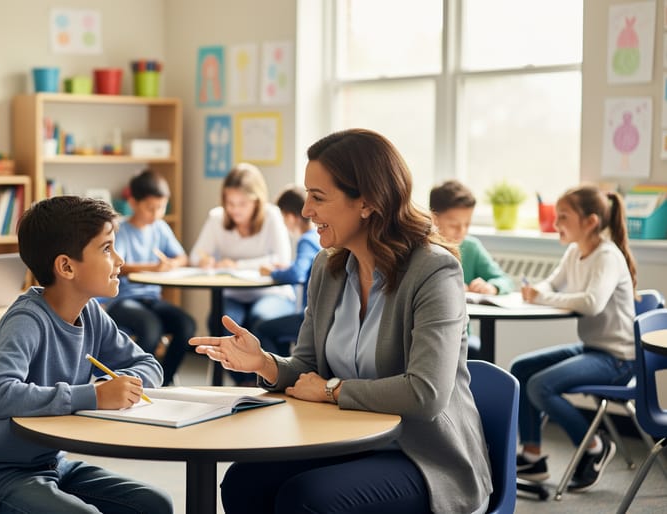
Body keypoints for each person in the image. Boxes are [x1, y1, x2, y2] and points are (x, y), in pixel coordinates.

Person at [190, 129, 492, 513]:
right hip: (349, 440)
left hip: (420, 455)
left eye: (318, 197)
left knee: (307, 499)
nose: (305, 212)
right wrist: (263, 363)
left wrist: (332, 390)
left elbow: (426, 394)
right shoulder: (329, 267)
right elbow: (307, 368)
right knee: (244, 482)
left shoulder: (434, 271)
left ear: (366, 202)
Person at [0, 195, 171, 513]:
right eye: (107, 248)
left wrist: (129, 385)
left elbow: (148, 363)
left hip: (51, 464)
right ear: (66, 266)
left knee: (154, 504)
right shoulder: (26, 320)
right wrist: (92, 396)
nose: (120, 260)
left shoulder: (91, 313)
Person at [510, 184, 636, 492]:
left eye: (563, 217)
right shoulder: (574, 252)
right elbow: (552, 284)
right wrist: (535, 291)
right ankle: (532, 456)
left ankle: (594, 445)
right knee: (520, 369)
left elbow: (592, 302)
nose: (556, 224)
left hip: (618, 358)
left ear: (590, 221)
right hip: (594, 349)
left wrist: (542, 298)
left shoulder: (607, 256)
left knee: (541, 385)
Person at [190, 163, 295, 384]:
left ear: (256, 201)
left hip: (272, 294)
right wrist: (207, 261)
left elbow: (281, 260)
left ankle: (275, 380)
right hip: (233, 295)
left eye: (242, 204)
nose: (235, 209)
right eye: (230, 203)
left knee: (261, 321)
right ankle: (244, 383)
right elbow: (195, 257)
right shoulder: (217, 218)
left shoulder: (272, 216)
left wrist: (236, 265)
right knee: (221, 324)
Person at [106, 169, 197, 385]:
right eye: (150, 208)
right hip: (124, 300)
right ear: (133, 203)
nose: (156, 213)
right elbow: (119, 265)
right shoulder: (122, 230)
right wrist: (154, 268)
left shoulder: (160, 228)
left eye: (161, 207)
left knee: (186, 325)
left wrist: (171, 264)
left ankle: (164, 380)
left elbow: (183, 257)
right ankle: (134, 381)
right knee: (151, 327)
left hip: (152, 300)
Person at [429, 179, 513, 358]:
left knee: (476, 352)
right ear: (433, 218)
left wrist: (493, 287)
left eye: (467, 224)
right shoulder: (422, 249)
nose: (462, 231)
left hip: (462, 334)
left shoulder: (471, 247)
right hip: (429, 332)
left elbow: (504, 279)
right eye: (454, 224)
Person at [252, 185, 319, 357]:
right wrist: (287, 267)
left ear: (290, 217)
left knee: (261, 329)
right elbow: (303, 268)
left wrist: (272, 273)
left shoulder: (305, 240)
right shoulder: (317, 238)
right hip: (316, 316)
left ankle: (277, 373)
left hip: (307, 318)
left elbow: (297, 274)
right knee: (273, 330)